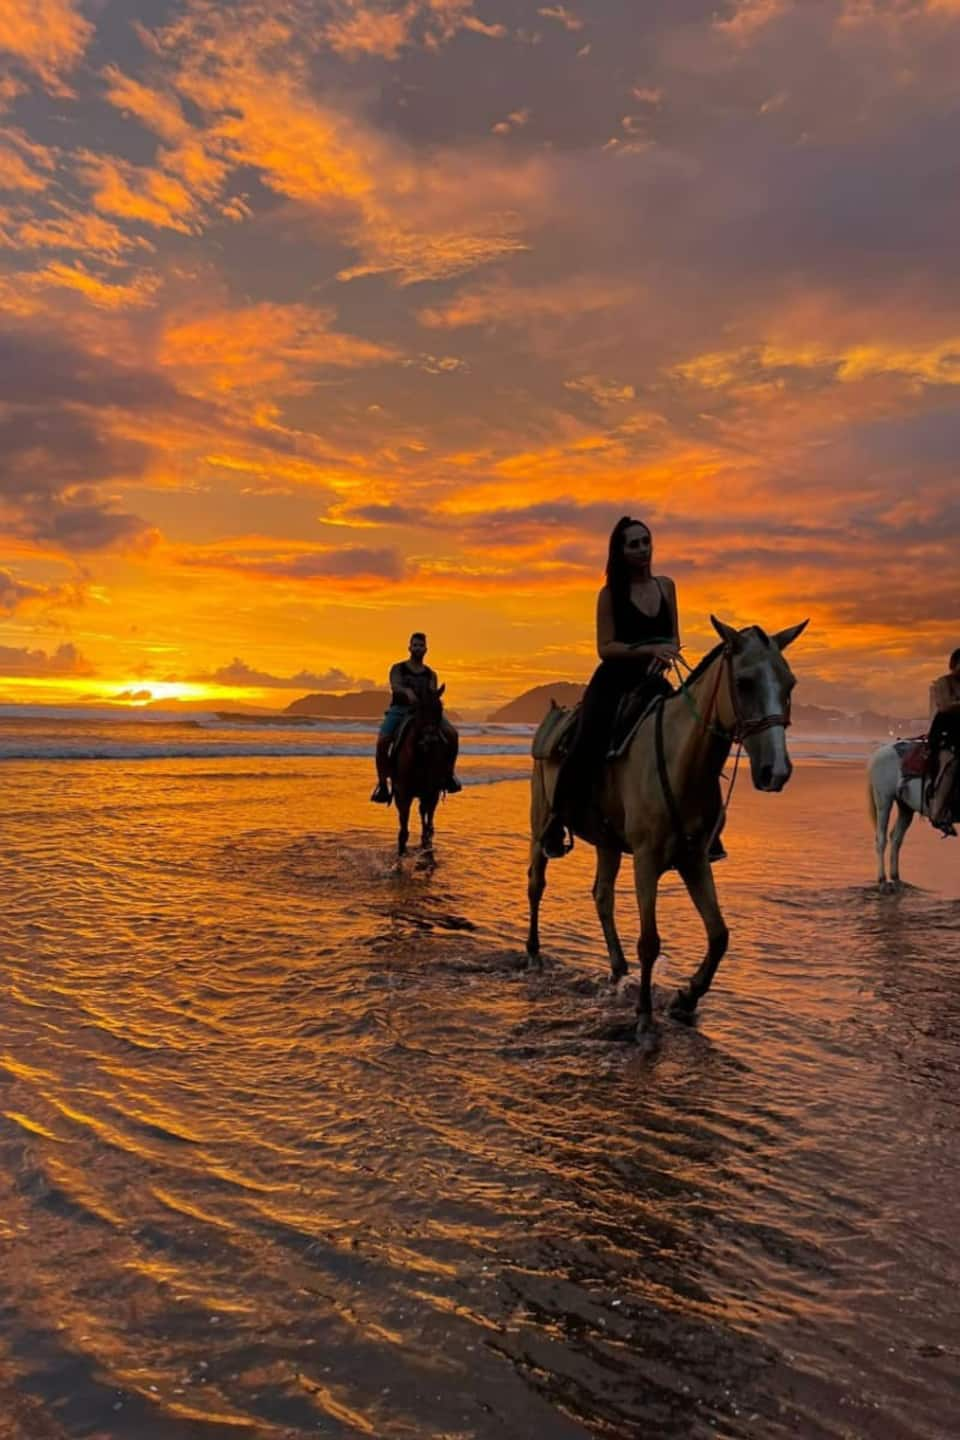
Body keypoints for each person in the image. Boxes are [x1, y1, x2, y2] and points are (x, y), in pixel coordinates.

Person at [541, 516, 721, 860]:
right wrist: (649, 649)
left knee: (695, 739)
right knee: (586, 741)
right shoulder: (610, 595)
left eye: (646, 541)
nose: (642, 549)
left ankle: (708, 828)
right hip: (613, 680)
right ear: (620, 552)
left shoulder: (666, 586)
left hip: (654, 679)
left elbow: (673, 636)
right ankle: (557, 820)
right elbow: (605, 647)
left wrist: (666, 653)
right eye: (633, 544)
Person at [371, 632, 461, 803]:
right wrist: (407, 692)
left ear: (426, 649)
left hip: (424, 712)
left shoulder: (430, 674)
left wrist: (428, 700)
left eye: (421, 646)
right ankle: (383, 784)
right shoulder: (398, 668)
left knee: (452, 734)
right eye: (415, 645)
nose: (418, 648)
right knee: (383, 741)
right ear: (409, 648)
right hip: (400, 710)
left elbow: (432, 693)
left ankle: (449, 775)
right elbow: (395, 686)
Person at [926, 647, 960, 836]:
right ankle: (938, 813)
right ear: (954, 665)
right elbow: (945, 706)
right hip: (946, 735)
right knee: (952, 765)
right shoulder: (943, 683)